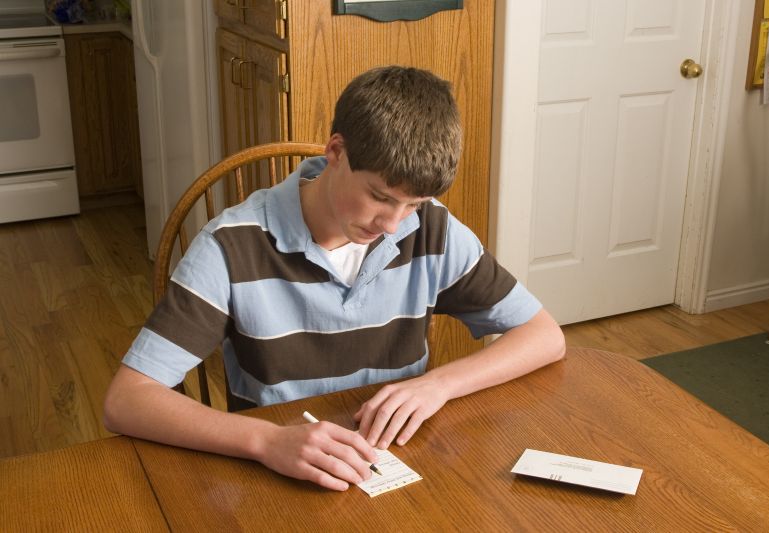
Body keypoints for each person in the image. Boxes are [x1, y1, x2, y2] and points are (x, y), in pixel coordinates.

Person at [103, 65, 565, 492]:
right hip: (277, 477)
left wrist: (437, 385)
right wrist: (266, 441)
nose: (393, 224)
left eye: (414, 204)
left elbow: (544, 336)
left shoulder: (432, 230)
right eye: (379, 197)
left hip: (392, 468)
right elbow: (126, 400)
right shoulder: (231, 248)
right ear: (336, 152)